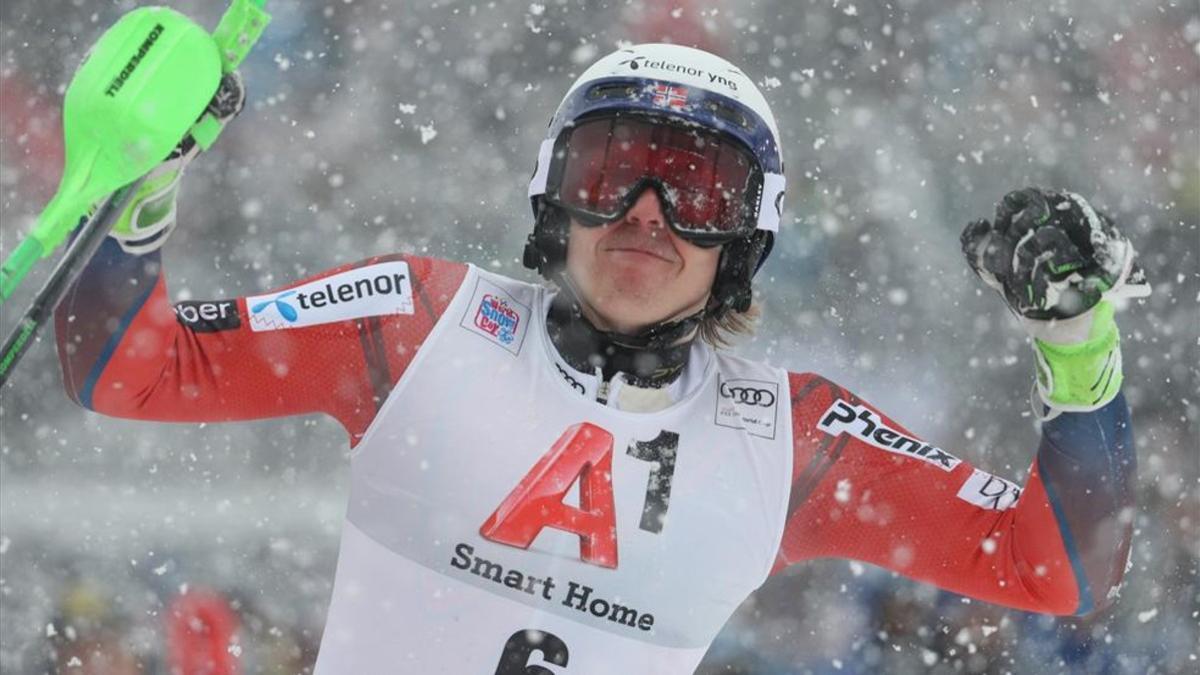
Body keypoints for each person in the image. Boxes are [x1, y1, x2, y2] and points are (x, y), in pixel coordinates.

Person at [54, 44, 1149, 674]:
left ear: (746, 243)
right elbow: (129, 371)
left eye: (698, 192)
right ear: (550, 197)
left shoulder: (794, 441)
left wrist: (1078, 347)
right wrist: (146, 187)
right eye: (613, 169)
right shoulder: (419, 321)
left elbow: (1053, 567)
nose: (647, 215)